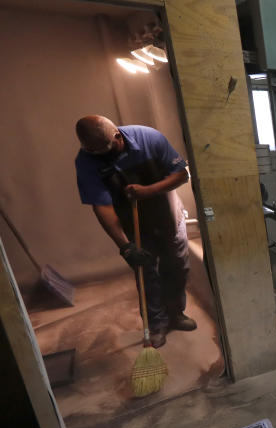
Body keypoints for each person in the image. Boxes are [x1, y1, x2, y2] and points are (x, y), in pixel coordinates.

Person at [74, 115, 195, 348]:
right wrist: (125, 246)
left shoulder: (149, 138)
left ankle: (176, 314)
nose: (100, 156)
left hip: (168, 215)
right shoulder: (86, 160)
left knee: (177, 267)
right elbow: (101, 205)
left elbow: (181, 174)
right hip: (135, 223)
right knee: (146, 274)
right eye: (94, 153)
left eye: (104, 150)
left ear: (117, 136)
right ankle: (156, 325)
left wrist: (148, 191)